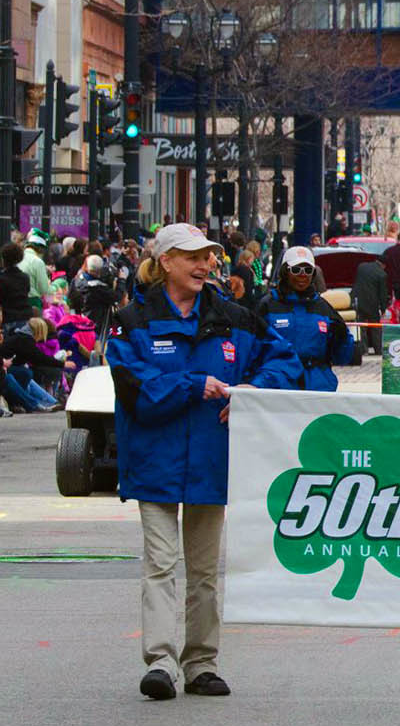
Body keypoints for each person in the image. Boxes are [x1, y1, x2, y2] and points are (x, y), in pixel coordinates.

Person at [106, 223, 302, 701]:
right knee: (159, 563)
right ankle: (161, 661)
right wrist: (195, 385)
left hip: (213, 461)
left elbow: (286, 361)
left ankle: (201, 664)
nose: (205, 264)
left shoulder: (235, 316)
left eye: (209, 256)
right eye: (193, 256)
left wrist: (256, 390)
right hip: (154, 461)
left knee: (205, 570)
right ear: (165, 261)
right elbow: (135, 389)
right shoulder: (131, 320)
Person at [258, 245, 356, 392]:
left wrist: (343, 338)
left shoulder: (324, 308)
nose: (302, 275)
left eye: (308, 270)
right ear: (285, 272)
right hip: (278, 387)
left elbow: (343, 357)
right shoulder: (268, 305)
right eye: (296, 270)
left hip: (317, 389)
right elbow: (252, 351)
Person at [351, 254, 388, 353]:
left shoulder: (362, 266)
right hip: (372, 304)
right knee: (375, 326)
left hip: (357, 300)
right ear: (384, 265)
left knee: (360, 326)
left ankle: (363, 349)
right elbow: (383, 294)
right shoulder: (382, 274)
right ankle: (378, 349)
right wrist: (383, 309)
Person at [2, 241, 34, 337]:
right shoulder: (25, 277)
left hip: (8, 319)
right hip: (26, 318)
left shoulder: (2, 278)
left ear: (4, 259)